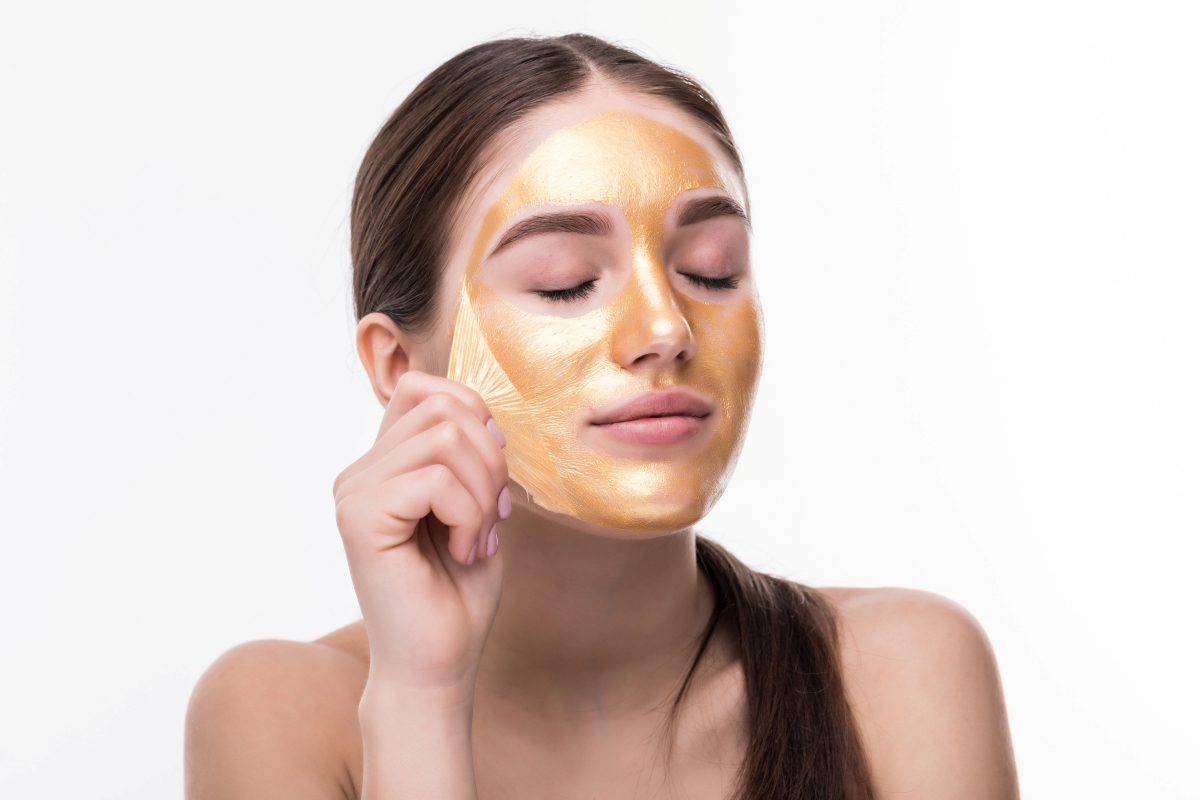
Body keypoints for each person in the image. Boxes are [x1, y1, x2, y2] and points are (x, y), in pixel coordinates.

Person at [184, 34, 1019, 800]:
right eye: (566, 282)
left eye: (712, 270)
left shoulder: (900, 674)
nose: (667, 329)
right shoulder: (279, 713)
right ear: (400, 366)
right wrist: (420, 696)